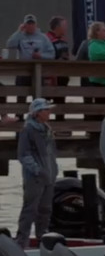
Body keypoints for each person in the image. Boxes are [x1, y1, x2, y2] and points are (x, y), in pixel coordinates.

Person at [16, 98, 58, 244]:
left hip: (49, 176)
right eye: (46, 110)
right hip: (34, 178)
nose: (49, 112)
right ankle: (22, 241)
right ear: (37, 112)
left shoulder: (47, 129)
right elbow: (23, 154)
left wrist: (53, 170)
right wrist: (37, 170)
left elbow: (51, 153)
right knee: (30, 210)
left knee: (46, 210)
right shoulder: (28, 129)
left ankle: (43, 239)